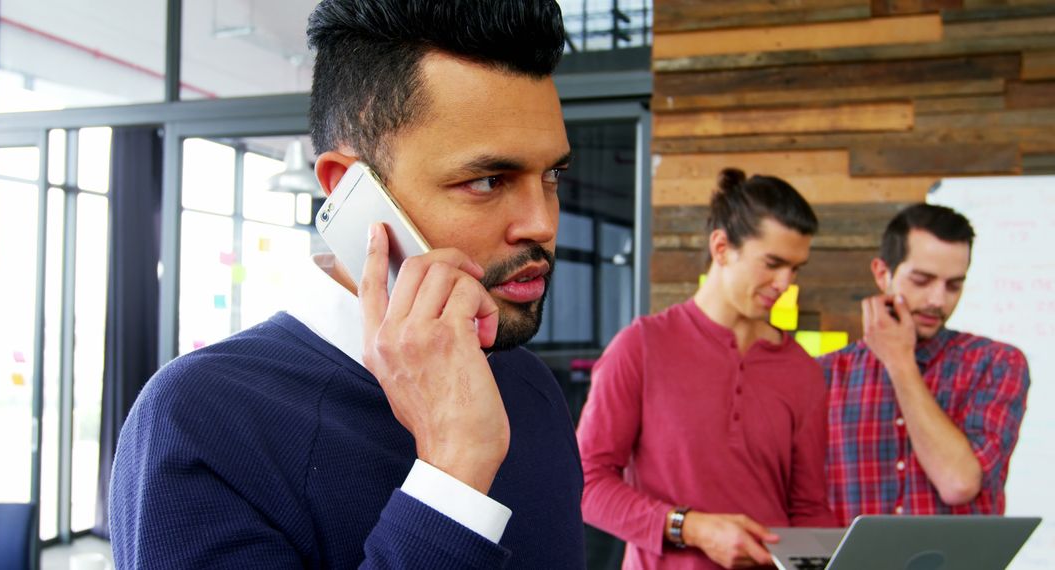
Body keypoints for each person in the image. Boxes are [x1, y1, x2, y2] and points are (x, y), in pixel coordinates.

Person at [109, 1, 584, 568]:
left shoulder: (527, 381)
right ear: (347, 189)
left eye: (551, 175)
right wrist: (453, 470)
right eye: (487, 180)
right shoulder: (199, 419)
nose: (542, 224)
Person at [578, 169, 835, 569]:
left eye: (796, 268)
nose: (785, 282)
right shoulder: (640, 347)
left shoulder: (802, 371)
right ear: (721, 247)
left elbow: (809, 508)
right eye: (773, 263)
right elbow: (586, 483)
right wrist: (690, 527)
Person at [819, 204, 1030, 526]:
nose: (937, 300)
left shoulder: (996, 364)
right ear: (881, 273)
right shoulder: (826, 375)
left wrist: (900, 361)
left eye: (953, 285)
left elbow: (958, 483)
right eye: (921, 280)